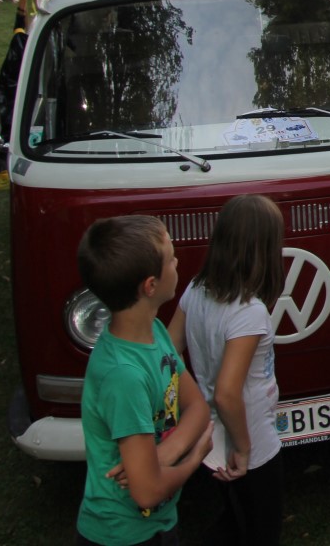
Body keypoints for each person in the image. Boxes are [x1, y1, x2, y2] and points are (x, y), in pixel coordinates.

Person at [75, 215, 214, 546]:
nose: (178, 261)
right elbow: (147, 492)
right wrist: (193, 459)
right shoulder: (123, 377)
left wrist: (163, 455)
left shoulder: (153, 332)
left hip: (159, 524)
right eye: (171, 258)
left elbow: (197, 408)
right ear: (150, 285)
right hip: (121, 535)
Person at [169, 195, 286, 546]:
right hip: (249, 439)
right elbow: (227, 392)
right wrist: (245, 448)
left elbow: (170, 352)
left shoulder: (196, 288)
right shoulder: (248, 313)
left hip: (211, 435)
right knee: (262, 527)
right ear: (264, 250)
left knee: (235, 516)